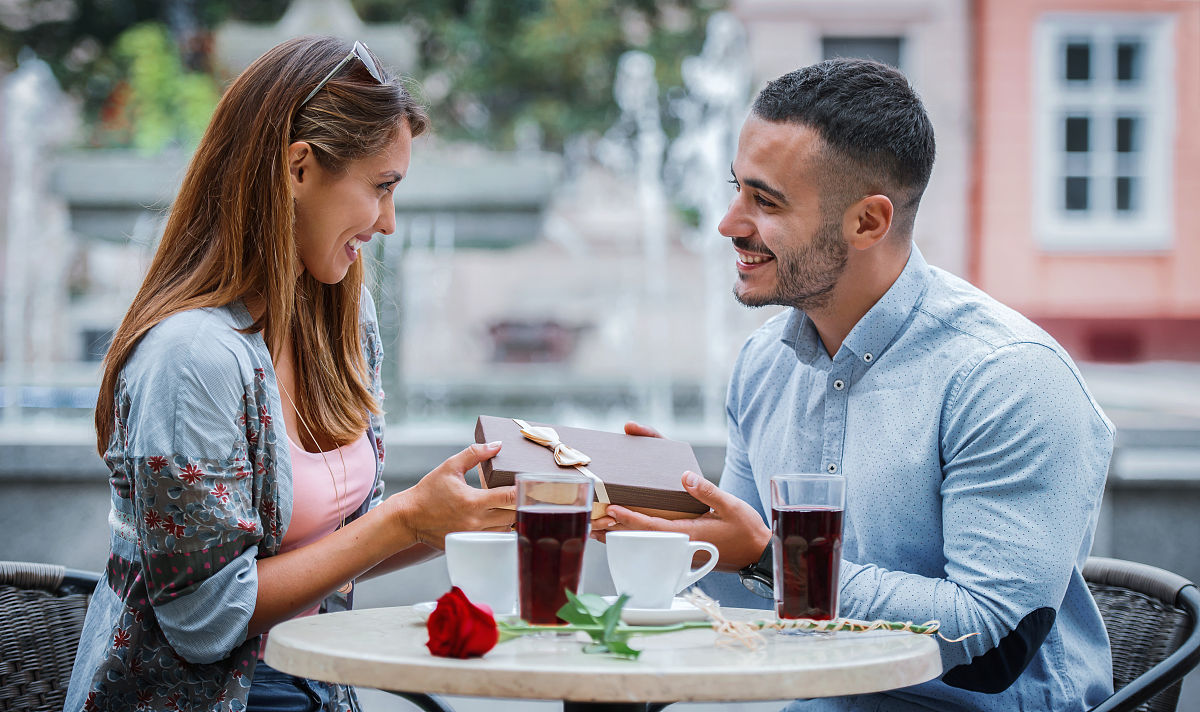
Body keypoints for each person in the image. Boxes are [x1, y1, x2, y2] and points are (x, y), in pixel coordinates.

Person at [597, 59, 1114, 711]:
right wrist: (684, 522)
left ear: (868, 222)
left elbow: (993, 637)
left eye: (766, 201)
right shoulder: (765, 365)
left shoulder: (1005, 376)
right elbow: (737, 600)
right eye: (736, 190)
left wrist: (767, 558)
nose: (728, 223)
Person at [65, 36, 515, 712]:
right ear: (298, 167)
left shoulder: (342, 318)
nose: (389, 223)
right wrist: (404, 521)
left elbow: (336, 547)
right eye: (381, 187)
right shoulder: (192, 358)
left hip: (316, 688)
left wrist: (462, 513)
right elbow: (205, 618)